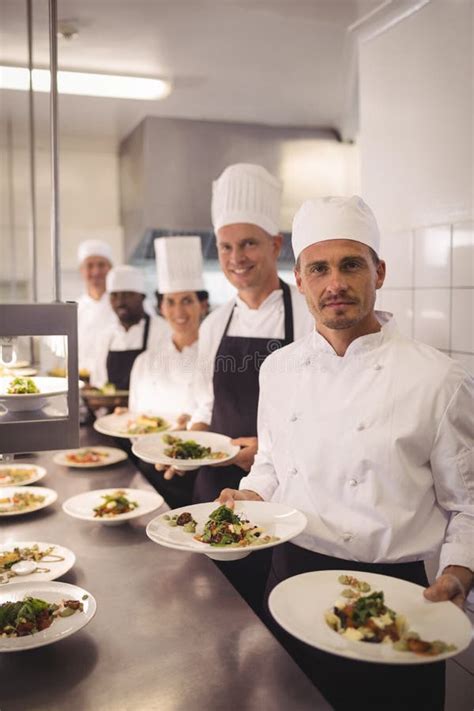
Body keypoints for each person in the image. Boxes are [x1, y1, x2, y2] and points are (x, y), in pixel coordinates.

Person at [218, 196, 474, 710]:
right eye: (319, 268)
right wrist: (247, 497)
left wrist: (458, 572)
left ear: (379, 271)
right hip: (289, 578)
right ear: (300, 278)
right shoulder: (279, 369)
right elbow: (271, 461)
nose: (334, 283)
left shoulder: (438, 380)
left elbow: (467, 503)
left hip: (394, 597)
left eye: (350, 265)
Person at [160, 163, 313, 613]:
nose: (236, 257)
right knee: (209, 604)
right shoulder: (215, 324)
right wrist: (191, 449)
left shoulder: (306, 317)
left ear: (276, 245)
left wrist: (265, 448)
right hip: (215, 483)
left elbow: (319, 415)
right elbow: (206, 403)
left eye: (248, 243)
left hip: (276, 486)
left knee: (265, 611)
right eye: (226, 246)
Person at [127, 237, 208, 508]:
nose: (178, 311)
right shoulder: (145, 362)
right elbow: (136, 424)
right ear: (161, 308)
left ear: (203, 305)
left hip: (202, 476)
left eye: (187, 300)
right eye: (170, 302)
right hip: (151, 473)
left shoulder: (217, 359)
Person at [90, 265, 168, 391]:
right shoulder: (105, 336)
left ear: (142, 297)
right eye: (114, 295)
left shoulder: (162, 331)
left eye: (127, 295)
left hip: (148, 408)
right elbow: (98, 382)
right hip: (112, 410)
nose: (120, 302)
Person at [76, 239, 116, 377]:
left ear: (110, 269)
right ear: (81, 270)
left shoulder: (122, 306)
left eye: (101, 265)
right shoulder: (74, 310)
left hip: (115, 381)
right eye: (90, 265)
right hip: (80, 381)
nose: (96, 271)